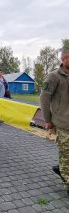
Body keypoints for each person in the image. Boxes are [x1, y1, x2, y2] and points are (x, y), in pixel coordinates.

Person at [40, 48, 69, 195]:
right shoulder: (53, 76)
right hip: (62, 121)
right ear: (63, 59)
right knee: (66, 154)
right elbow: (44, 98)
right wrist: (48, 120)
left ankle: (61, 168)